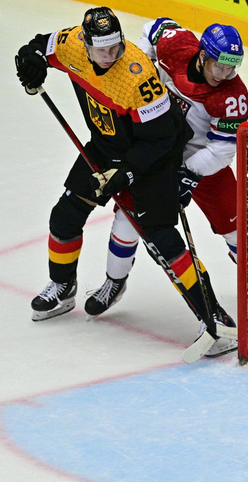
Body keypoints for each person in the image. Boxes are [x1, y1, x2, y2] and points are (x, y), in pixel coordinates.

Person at [14, 7, 232, 347]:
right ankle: (63, 287)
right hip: (105, 146)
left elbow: (162, 138)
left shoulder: (137, 75)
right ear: (85, 43)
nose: (109, 55)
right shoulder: (71, 44)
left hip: (154, 156)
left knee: (160, 237)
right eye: (101, 49)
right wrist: (30, 59)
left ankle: (214, 315)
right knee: (65, 215)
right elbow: (41, 47)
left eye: (115, 46)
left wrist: (126, 172)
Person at [84, 18, 248, 326]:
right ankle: (114, 281)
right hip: (157, 153)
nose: (224, 75)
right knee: (127, 217)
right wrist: (146, 67)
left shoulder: (232, 97)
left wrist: (188, 175)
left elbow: (220, 151)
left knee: (236, 224)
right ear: (203, 55)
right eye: (219, 66)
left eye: (231, 69)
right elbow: (153, 27)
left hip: (202, 160)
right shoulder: (176, 44)